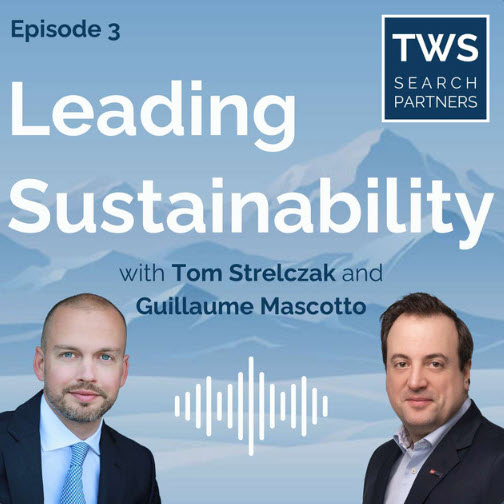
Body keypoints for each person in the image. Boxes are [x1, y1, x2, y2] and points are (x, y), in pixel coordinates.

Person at [0, 293, 161, 504]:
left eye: (105, 357)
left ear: (123, 371)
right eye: (69, 354)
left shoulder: (139, 465)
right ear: (40, 364)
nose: (87, 374)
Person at [363, 292, 504, 504]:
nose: (415, 382)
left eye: (434, 363)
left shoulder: (499, 460)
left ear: (465, 372)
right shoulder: (380, 461)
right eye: (402, 364)